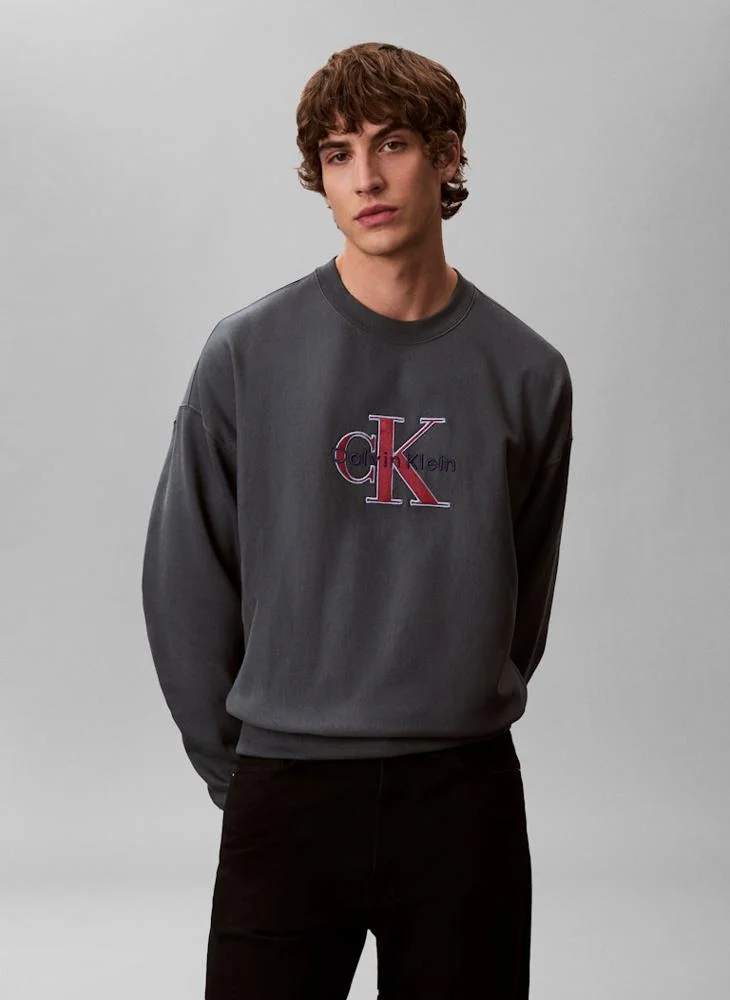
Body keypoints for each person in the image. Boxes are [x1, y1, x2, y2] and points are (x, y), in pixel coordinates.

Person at [142, 41, 573, 999]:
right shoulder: (245, 354)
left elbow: (523, 588)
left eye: (393, 144)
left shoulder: (529, 373)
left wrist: (455, 701)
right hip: (285, 791)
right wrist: (241, 774)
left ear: (448, 156)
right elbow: (183, 581)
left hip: (462, 795)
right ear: (321, 179)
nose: (366, 178)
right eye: (338, 154)